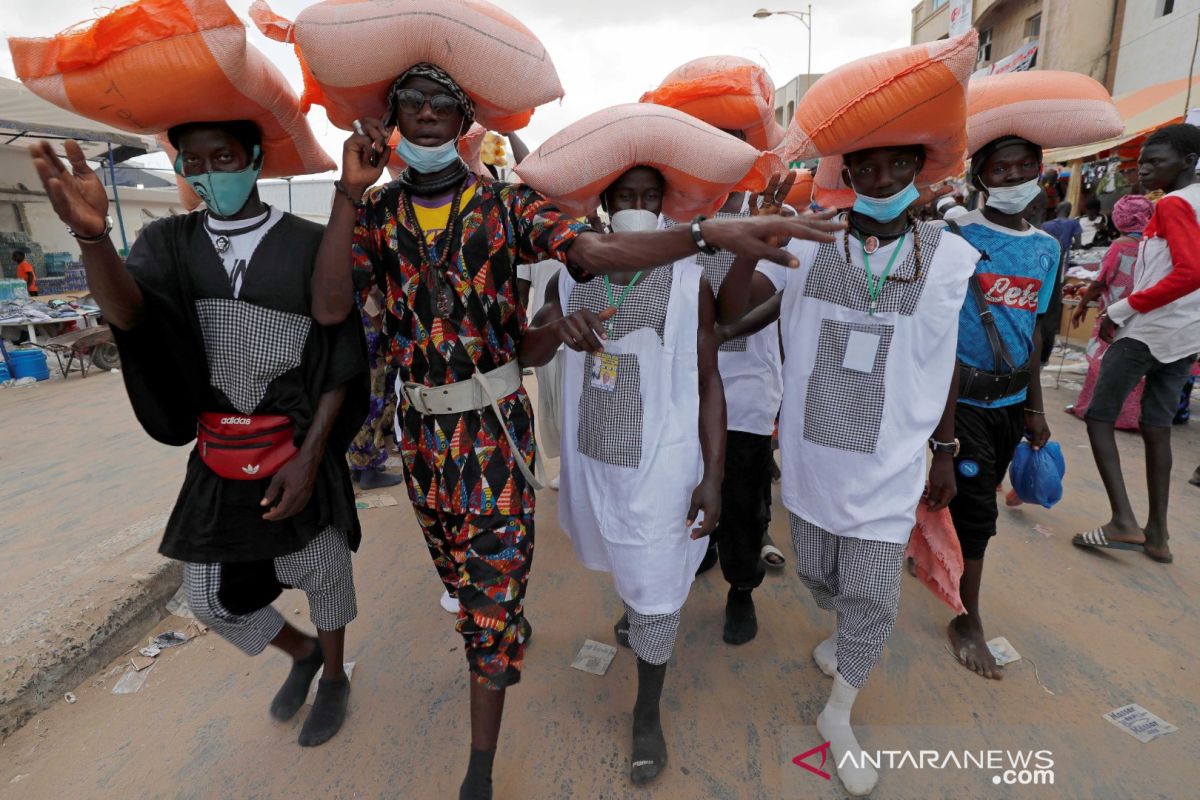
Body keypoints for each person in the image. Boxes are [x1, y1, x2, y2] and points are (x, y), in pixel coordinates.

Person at [310, 63, 841, 800]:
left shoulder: (507, 208)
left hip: (498, 442)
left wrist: (706, 236)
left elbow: (593, 257)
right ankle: (502, 626)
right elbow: (333, 306)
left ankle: (483, 767)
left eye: (443, 104)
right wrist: (346, 192)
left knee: (501, 621)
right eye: (411, 102)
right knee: (469, 593)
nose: (427, 115)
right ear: (392, 115)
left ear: (467, 122)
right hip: (425, 446)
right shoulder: (373, 215)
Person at [28, 121, 367, 746]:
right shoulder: (168, 241)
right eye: (196, 161)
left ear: (256, 160)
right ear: (181, 168)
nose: (212, 172)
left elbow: (338, 354)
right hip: (218, 448)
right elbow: (130, 315)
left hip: (294, 444)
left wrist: (312, 454)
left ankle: (337, 675)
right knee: (207, 596)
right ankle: (301, 653)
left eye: (226, 157)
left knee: (321, 571)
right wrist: (91, 236)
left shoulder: (310, 242)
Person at [718, 152, 977, 795]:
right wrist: (758, 237)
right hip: (813, 462)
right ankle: (844, 632)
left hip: (892, 462)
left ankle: (838, 713)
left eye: (897, 165)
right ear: (847, 174)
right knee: (817, 573)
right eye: (866, 167)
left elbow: (944, 358)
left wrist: (945, 447)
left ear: (920, 166)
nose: (882, 180)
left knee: (874, 594)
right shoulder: (810, 243)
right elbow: (735, 311)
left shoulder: (947, 257)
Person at [522, 164, 722, 785]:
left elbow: (709, 378)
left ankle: (647, 710)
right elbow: (528, 350)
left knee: (657, 584)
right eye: (626, 196)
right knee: (623, 562)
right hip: (595, 462)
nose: (638, 206)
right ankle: (634, 613)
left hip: (664, 464)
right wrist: (557, 328)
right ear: (604, 203)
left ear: (666, 204)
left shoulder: (691, 278)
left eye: (650, 196)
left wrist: (714, 474)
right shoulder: (568, 274)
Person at [940, 135, 1058, 681]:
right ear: (981, 176)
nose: (1012, 178)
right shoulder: (956, 234)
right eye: (1000, 169)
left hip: (1011, 399)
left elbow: (1035, 329)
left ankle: (935, 554)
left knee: (976, 493)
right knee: (978, 514)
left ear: (1039, 171)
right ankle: (967, 618)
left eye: (1023, 168)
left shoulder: (1047, 249)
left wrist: (1034, 407)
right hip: (958, 398)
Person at [1073, 123, 1200, 565]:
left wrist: (1119, 310)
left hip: (1148, 330)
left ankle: (1123, 520)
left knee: (1098, 415)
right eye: (1142, 161)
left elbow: (1188, 273)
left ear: (1187, 162)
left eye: (1155, 162)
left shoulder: (1175, 205)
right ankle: (1158, 535)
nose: (1144, 170)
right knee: (1156, 425)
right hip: (1185, 334)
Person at [1068, 194, 1156, 429]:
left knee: (1102, 361)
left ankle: (1094, 409)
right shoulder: (1154, 245)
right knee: (1134, 367)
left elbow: (1100, 281)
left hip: (1113, 315)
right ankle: (1130, 417)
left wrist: (1081, 305)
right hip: (1141, 314)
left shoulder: (1120, 246)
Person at [346, 284, 405, 489]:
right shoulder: (358, 255)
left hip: (352, 328)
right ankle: (367, 468)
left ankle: (359, 464)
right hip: (368, 329)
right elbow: (370, 289)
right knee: (374, 401)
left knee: (359, 397)